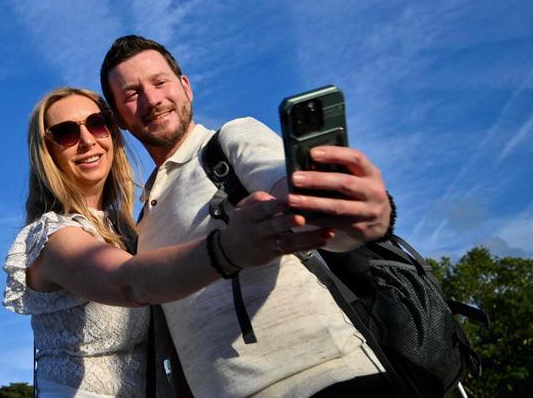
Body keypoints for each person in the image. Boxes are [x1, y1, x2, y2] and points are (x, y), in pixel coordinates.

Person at [99, 35, 393, 397]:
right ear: (120, 120)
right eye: (132, 94)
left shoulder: (230, 140)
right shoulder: (141, 219)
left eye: (160, 82)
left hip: (326, 378)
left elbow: (302, 202)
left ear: (185, 87)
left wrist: (354, 215)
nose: (153, 100)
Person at [4, 87, 333, 397]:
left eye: (97, 124)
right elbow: (126, 282)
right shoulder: (49, 236)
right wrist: (229, 248)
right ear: (46, 152)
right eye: (65, 133)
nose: (87, 140)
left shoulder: (133, 234)